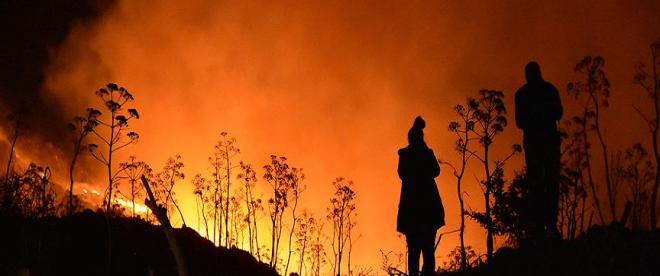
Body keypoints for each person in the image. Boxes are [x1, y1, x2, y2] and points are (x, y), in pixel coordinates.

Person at [514, 61, 563, 240]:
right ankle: (546, 225)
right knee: (547, 183)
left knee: (540, 184)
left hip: (537, 144)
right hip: (546, 143)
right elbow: (558, 113)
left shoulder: (522, 94)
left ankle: (543, 226)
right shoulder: (549, 90)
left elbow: (520, 122)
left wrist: (534, 120)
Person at [397, 116, 444, 276]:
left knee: (414, 251)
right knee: (427, 250)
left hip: (411, 211)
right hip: (427, 210)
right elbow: (436, 171)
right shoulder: (425, 154)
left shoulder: (406, 156)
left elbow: (402, 174)